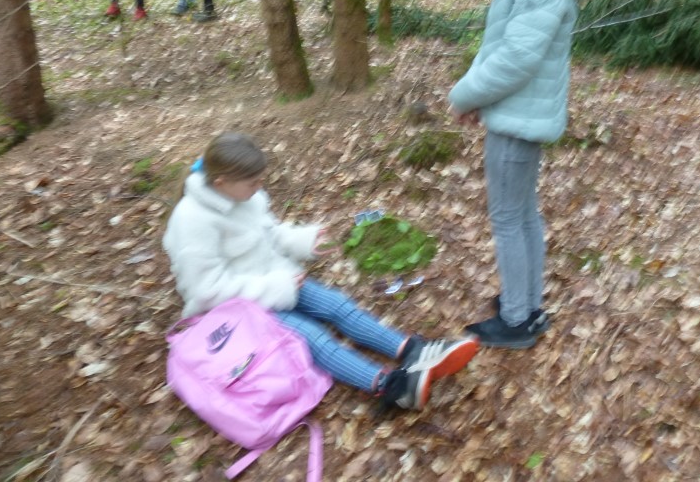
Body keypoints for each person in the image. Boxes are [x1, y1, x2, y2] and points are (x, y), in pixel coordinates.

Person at [163, 132, 479, 411]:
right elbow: (205, 292)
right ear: (221, 183)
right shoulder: (192, 221)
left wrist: (303, 241)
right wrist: (276, 287)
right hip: (239, 310)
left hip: (277, 280)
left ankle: (411, 349)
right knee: (311, 337)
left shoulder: (243, 196)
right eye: (253, 183)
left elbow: (270, 233)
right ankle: (391, 388)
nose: (260, 188)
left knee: (336, 304)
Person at [448, 0, 593, 349]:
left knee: (509, 218)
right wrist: (477, 96)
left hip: (517, 117)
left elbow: (516, 59)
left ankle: (516, 320)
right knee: (523, 213)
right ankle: (526, 306)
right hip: (519, 110)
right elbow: (505, 46)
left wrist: (463, 95)